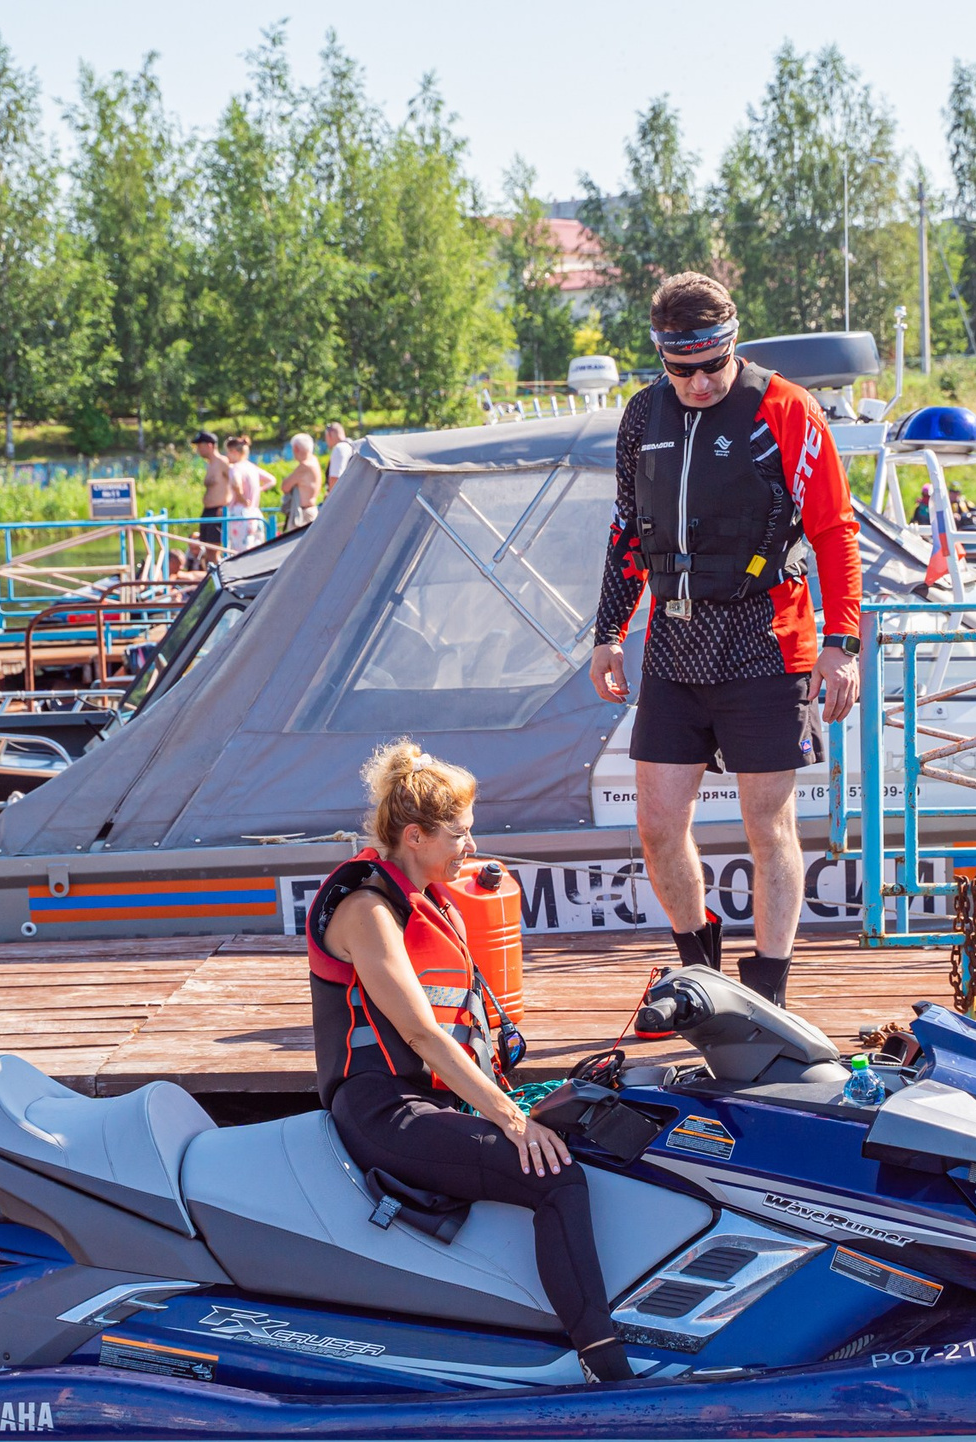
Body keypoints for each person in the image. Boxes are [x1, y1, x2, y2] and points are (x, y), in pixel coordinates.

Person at [306, 740, 635, 1384]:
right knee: (554, 1177)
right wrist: (514, 1121)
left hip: (435, 1099)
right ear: (416, 835)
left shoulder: (432, 899)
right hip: (383, 1110)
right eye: (459, 835)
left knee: (591, 1128)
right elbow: (425, 1038)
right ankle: (605, 1365)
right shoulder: (366, 909)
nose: (470, 848)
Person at [587, 271, 863, 1009]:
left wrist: (844, 643)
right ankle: (699, 970)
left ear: (732, 346)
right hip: (675, 645)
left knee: (765, 823)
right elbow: (626, 528)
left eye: (714, 366)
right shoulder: (643, 415)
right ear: (662, 358)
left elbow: (835, 532)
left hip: (766, 640)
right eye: (684, 370)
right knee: (656, 822)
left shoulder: (787, 410)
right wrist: (608, 632)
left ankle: (769, 988)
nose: (702, 383)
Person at [222, 434, 271, 551]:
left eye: (228, 452)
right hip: (255, 513)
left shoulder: (235, 468)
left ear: (234, 451)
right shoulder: (252, 467)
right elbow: (271, 480)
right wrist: (258, 490)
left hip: (240, 514)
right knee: (257, 549)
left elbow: (236, 484)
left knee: (238, 551)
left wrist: (241, 498)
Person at [190, 431, 232, 566]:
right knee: (208, 551)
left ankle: (222, 579)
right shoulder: (210, 464)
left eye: (200, 446)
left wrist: (226, 505)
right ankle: (213, 579)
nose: (198, 450)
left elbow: (236, 484)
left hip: (217, 511)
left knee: (214, 551)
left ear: (209, 445)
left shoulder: (222, 462)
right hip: (207, 511)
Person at [279, 432, 323, 531]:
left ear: (295, 449)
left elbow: (285, 486)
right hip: (311, 510)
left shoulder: (305, 466)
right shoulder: (314, 460)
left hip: (303, 515)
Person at [322, 420, 355, 493]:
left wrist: (330, 498)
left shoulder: (340, 448)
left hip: (340, 498)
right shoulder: (352, 445)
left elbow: (335, 478)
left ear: (329, 435)